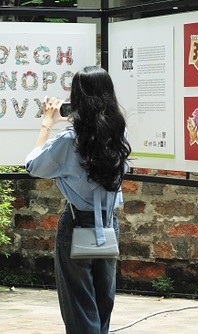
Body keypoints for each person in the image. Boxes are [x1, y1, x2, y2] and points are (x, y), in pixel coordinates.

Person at [25, 65, 131, 334]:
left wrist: (47, 123)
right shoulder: (119, 136)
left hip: (76, 225)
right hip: (108, 225)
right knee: (102, 303)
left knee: (79, 306)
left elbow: (33, 165)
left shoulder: (69, 141)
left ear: (77, 98)